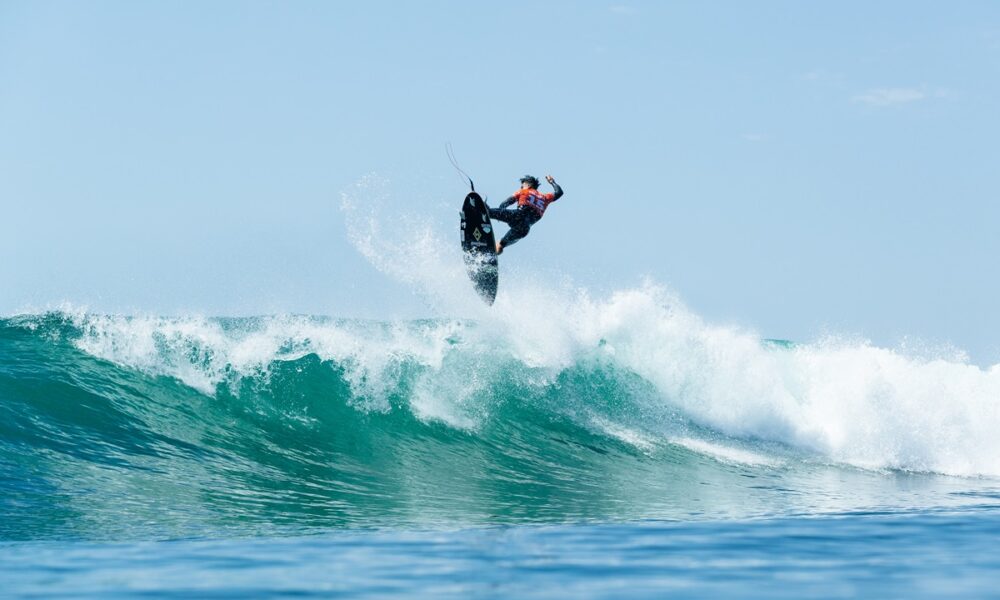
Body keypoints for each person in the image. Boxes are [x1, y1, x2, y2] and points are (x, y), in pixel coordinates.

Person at [488, 174, 564, 255]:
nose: (521, 187)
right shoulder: (545, 198)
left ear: (528, 185)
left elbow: (506, 203)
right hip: (524, 229)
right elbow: (559, 192)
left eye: (522, 186)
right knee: (501, 245)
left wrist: (500, 212)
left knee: (488, 212)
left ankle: (479, 212)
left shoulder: (523, 191)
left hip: (516, 216)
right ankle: (491, 256)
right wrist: (552, 182)